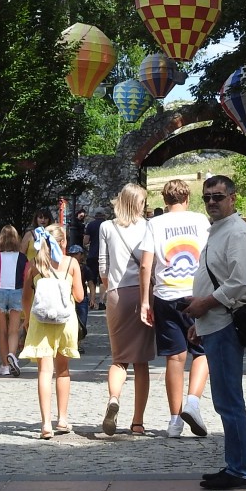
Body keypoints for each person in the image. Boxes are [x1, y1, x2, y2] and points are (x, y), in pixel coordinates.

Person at [184, 175, 246, 490]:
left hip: (226, 323)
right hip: (213, 322)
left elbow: (242, 283)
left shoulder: (238, 233)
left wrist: (204, 305)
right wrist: (199, 321)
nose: (212, 202)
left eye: (218, 196)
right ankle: (235, 465)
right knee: (225, 400)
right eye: (207, 198)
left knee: (230, 401)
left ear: (232, 198)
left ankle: (241, 470)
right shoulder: (220, 231)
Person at [138, 178, 209, 438]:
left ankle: (174, 421)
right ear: (187, 198)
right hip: (196, 295)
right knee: (202, 352)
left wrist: (145, 300)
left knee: (175, 358)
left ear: (164, 201)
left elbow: (146, 265)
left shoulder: (154, 223)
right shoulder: (201, 221)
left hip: (166, 295)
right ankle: (193, 402)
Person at [98, 184, 154, 436]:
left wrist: (110, 287)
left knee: (119, 359)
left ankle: (113, 397)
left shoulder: (107, 227)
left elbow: (102, 267)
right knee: (141, 362)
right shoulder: (148, 226)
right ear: (138, 203)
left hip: (116, 294)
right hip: (142, 293)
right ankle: (138, 422)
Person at [19, 223, 84, 439]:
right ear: (64, 242)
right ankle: (62, 419)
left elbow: (26, 298)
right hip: (65, 322)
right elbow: (80, 296)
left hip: (40, 322)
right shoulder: (71, 263)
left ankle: (46, 423)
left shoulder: (35, 265)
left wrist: (27, 319)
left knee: (44, 372)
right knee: (63, 370)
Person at [0, 224, 27, 376]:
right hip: (17, 293)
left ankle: (4, 365)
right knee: (13, 330)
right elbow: (26, 278)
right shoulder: (22, 258)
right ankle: (12, 355)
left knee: (2, 331)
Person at [83, 208, 108, 309]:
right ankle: (102, 302)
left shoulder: (91, 225)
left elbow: (85, 241)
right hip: (105, 255)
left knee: (91, 279)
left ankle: (92, 301)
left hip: (92, 255)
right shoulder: (108, 225)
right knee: (103, 279)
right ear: (104, 215)